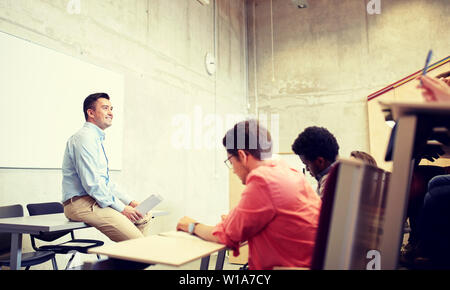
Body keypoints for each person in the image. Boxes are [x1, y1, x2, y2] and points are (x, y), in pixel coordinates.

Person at [176, 120, 322, 270]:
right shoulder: (289, 171)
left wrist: (192, 226)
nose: (233, 170)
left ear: (242, 156)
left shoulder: (263, 180)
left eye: (231, 162)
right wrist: (235, 222)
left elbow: (226, 236)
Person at [62, 93, 150, 242]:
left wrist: (130, 202)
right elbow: (93, 184)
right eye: (105, 108)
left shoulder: (95, 139)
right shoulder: (85, 138)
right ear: (91, 113)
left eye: (111, 108)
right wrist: (122, 209)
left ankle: (134, 258)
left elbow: (105, 183)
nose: (111, 113)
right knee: (137, 241)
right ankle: (136, 254)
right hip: (80, 204)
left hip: (94, 200)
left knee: (143, 216)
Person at [291, 126, 340, 198]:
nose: (307, 169)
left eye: (307, 164)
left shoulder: (328, 184)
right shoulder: (341, 173)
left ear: (320, 161)